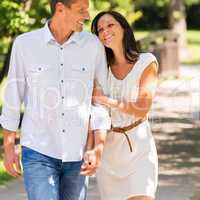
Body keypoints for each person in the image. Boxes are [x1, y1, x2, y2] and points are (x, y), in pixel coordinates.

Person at [0, 0, 111, 199]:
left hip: (78, 154)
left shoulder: (93, 46)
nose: (87, 16)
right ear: (60, 9)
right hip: (37, 150)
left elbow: (100, 102)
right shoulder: (25, 45)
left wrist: (97, 147)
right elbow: (12, 99)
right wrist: (9, 148)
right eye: (81, 10)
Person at [91, 11, 159, 200]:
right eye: (100, 29)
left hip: (139, 147)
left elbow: (142, 107)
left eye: (110, 25)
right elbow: (94, 113)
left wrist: (104, 99)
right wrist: (92, 150)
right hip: (109, 153)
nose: (105, 31)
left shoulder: (146, 62)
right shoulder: (100, 69)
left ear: (124, 28)